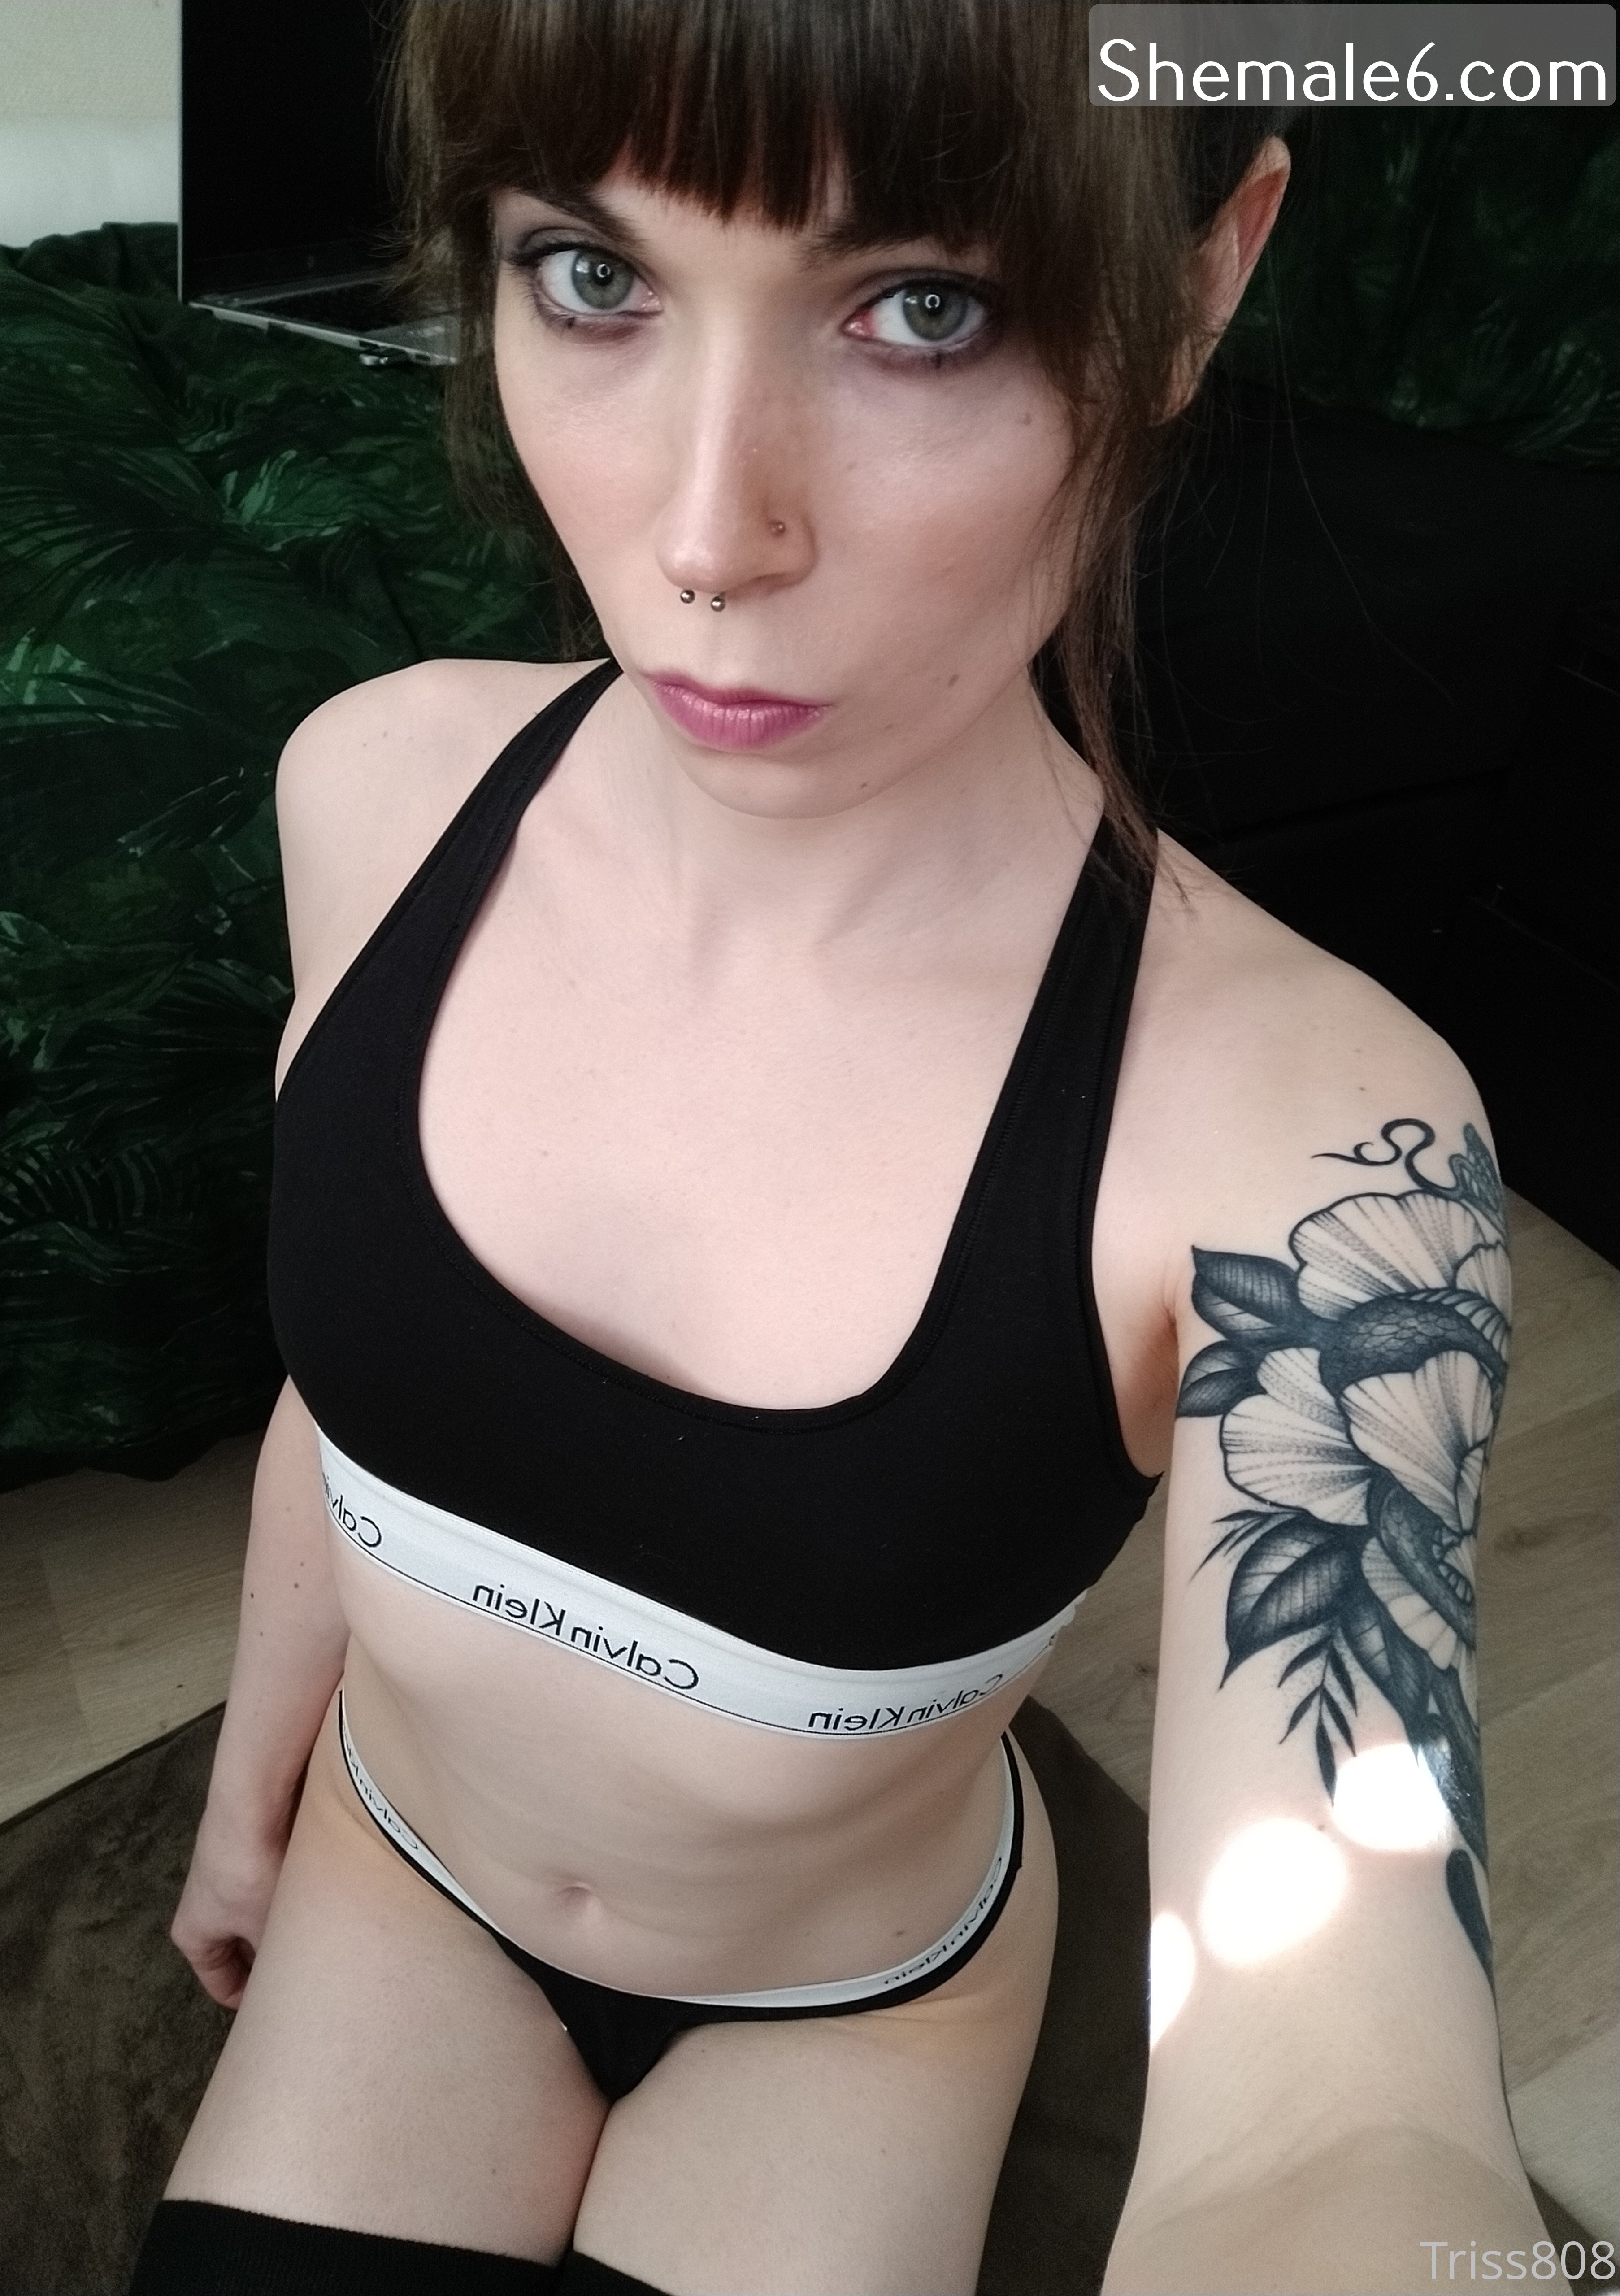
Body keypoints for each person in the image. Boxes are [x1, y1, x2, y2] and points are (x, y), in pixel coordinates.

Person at [130, 4, 1563, 2290]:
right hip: (394, 1878)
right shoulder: (376, 793)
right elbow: (351, 1398)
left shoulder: (1314, 1149)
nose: (708, 534)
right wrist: (249, 1798)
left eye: (926, 308)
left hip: (860, 2001)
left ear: (1200, 280)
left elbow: (1344, 2104)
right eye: (592, 275)